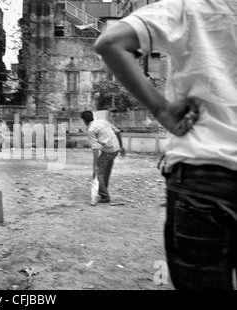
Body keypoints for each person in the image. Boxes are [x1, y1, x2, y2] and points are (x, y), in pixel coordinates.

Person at [94, 0, 237, 290]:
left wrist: (160, 109)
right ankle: (105, 194)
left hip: (203, 172)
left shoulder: (190, 7)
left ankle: (104, 195)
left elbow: (110, 42)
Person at [81, 111, 125, 204]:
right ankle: (104, 193)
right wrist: (121, 146)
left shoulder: (91, 130)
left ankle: (105, 196)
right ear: (92, 117)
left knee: (97, 174)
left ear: (84, 121)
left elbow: (95, 149)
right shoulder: (103, 121)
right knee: (106, 172)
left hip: (108, 151)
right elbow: (117, 131)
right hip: (115, 149)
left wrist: (95, 166)